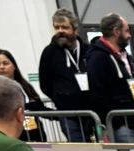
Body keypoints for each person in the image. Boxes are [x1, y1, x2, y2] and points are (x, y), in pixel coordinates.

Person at [87, 12, 134, 143]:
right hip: (121, 125)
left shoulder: (126, 56)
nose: (130, 35)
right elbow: (98, 93)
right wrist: (116, 122)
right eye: (127, 31)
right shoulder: (98, 58)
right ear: (116, 32)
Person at [38, 7, 94, 142]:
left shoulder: (89, 50)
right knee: (79, 147)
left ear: (75, 30)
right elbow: (45, 83)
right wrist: (61, 97)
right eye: (57, 27)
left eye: (65, 27)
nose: (60, 31)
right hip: (68, 114)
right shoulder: (49, 52)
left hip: (92, 111)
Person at [0, 48, 48, 141]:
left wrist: (61, 115)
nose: (2, 67)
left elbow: (39, 107)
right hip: (10, 134)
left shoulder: (24, 86)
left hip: (33, 131)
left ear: (14, 66)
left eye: (5, 63)